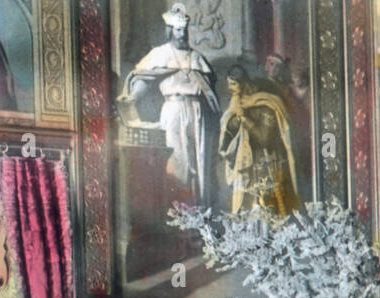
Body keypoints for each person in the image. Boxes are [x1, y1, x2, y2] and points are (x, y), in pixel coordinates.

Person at [122, 3, 220, 205]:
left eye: (184, 30)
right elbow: (143, 79)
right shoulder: (160, 53)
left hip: (196, 113)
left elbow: (209, 90)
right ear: (170, 31)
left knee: (197, 159)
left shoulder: (196, 57)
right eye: (177, 30)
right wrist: (133, 97)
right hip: (173, 110)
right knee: (177, 159)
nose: (182, 34)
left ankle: (198, 207)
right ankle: (177, 208)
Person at [217, 67, 300, 216]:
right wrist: (234, 121)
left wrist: (244, 119)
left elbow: (264, 138)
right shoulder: (237, 102)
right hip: (245, 163)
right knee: (246, 211)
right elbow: (228, 131)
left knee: (270, 210)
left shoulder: (266, 104)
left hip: (267, 163)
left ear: (244, 84)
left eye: (233, 84)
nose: (229, 88)